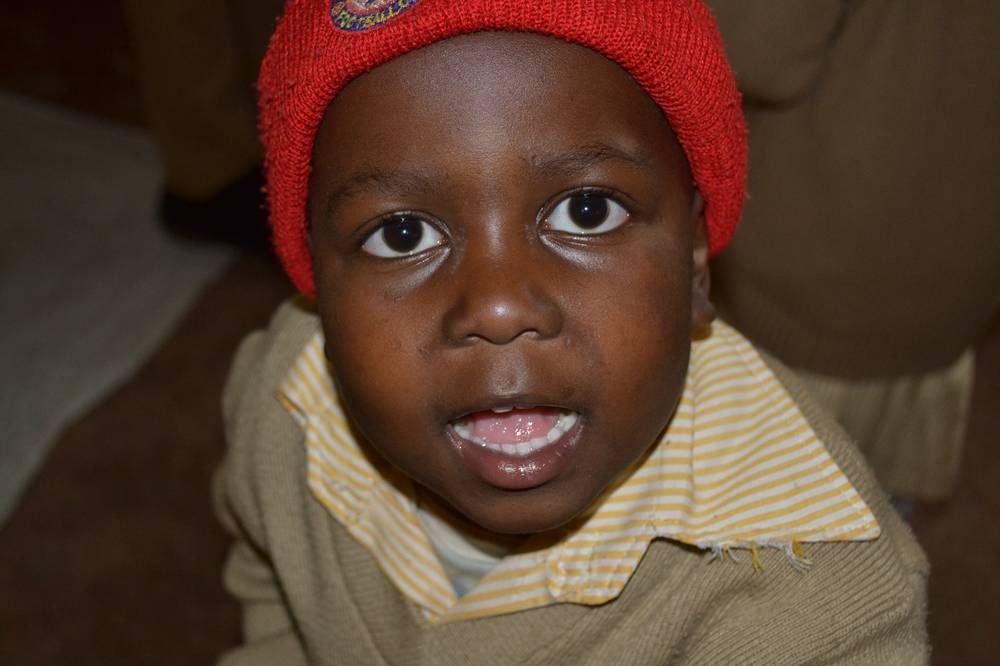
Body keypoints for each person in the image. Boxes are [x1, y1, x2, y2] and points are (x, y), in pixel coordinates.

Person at [213, 2, 928, 663]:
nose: (498, 307)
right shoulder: (286, 402)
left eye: (587, 211)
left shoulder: (817, 600)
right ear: (317, 280)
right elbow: (273, 596)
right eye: (402, 234)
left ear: (694, 263)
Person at [704, 0, 1000, 503]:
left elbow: (757, 47)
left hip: (810, 275)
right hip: (957, 264)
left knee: (754, 500)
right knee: (874, 504)